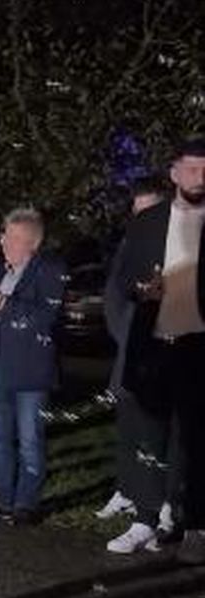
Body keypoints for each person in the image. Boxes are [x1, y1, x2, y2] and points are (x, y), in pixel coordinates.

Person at [107, 136, 205, 565]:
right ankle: (145, 516)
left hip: (200, 346)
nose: (198, 177)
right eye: (191, 168)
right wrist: (143, 291)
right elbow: (125, 279)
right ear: (174, 172)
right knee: (150, 433)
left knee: (196, 440)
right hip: (156, 344)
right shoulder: (148, 224)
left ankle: (192, 522)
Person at [100, 176, 186, 551]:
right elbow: (117, 297)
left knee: (179, 438)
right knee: (143, 435)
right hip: (142, 356)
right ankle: (143, 515)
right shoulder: (134, 247)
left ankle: (170, 509)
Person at [0, 207, 65, 525]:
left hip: (31, 368)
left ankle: (26, 504)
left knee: (30, 438)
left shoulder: (50, 270)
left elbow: (48, 316)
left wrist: (4, 305)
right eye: (5, 236)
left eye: (13, 238)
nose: (4, 242)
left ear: (32, 242)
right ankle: (2, 499)